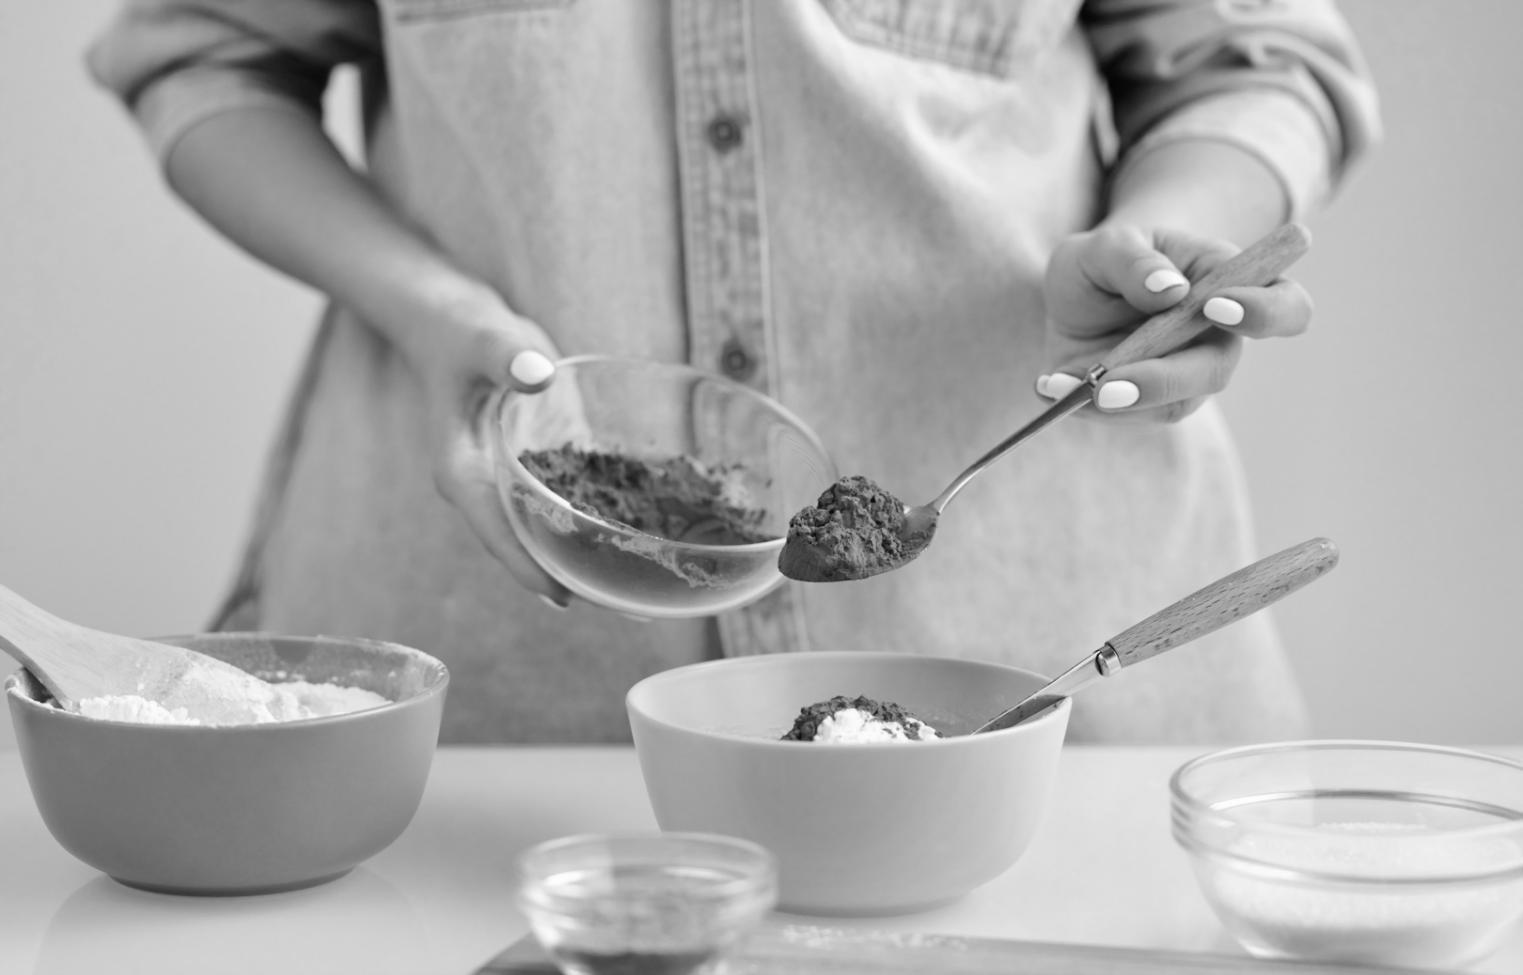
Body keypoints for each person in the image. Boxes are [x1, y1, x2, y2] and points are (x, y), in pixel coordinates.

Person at [87, 0, 1379, 743]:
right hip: (509, 692)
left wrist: (1166, 238)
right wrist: (431, 315)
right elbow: (206, 56)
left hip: (1038, 646)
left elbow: (1250, 59)